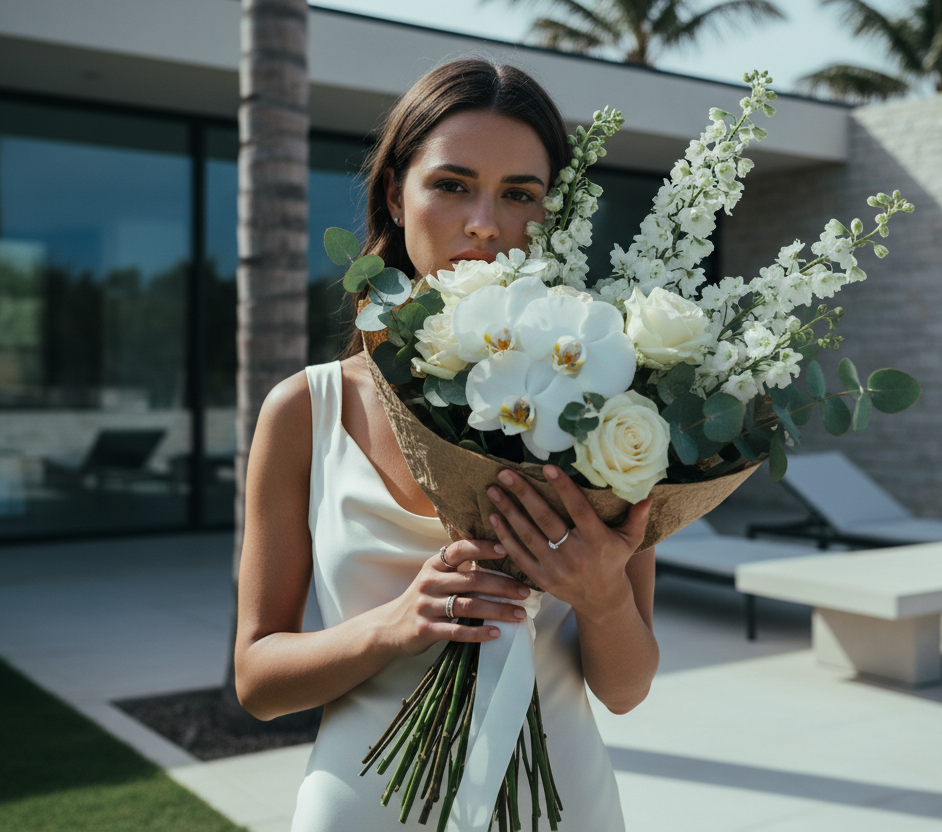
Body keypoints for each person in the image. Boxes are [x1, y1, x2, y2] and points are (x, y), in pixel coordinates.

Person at [234, 58, 659, 832]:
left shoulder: (613, 411)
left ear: (554, 213)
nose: (485, 224)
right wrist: (394, 624)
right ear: (397, 195)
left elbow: (626, 691)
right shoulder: (306, 410)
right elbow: (257, 681)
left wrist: (604, 597)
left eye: (520, 193)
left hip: (563, 808)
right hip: (362, 811)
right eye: (453, 184)